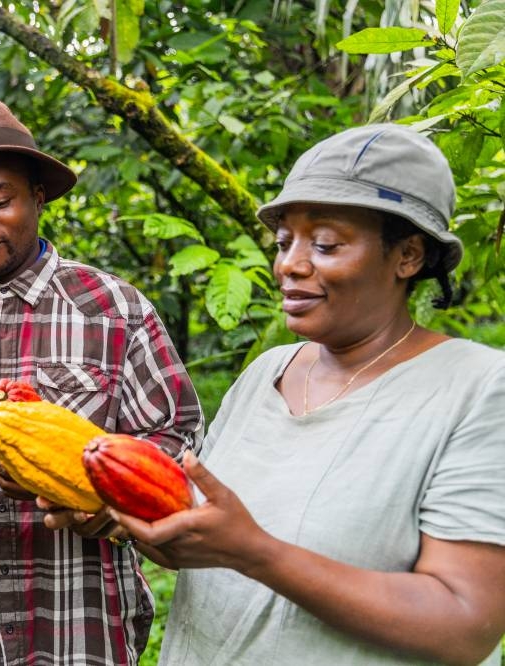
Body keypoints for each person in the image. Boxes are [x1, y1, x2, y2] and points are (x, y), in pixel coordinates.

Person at [110, 124, 505, 664]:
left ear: (408, 256)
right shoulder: (266, 374)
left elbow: (464, 624)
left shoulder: (478, 387)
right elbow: (208, 540)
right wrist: (120, 507)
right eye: (284, 242)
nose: (288, 265)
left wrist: (256, 553)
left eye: (324, 244)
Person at [0, 97, 204, 665]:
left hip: (84, 624)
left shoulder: (114, 310)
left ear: (37, 197)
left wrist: (111, 497)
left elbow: (181, 442)